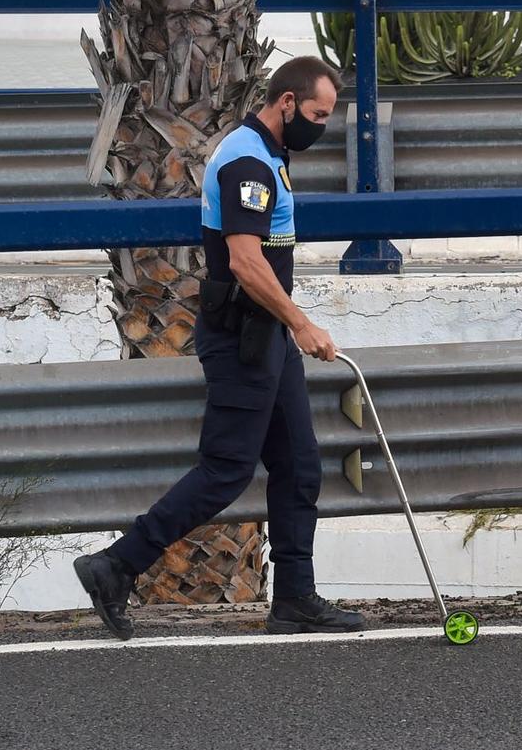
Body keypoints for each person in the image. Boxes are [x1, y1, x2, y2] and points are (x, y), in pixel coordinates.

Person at [71, 56, 362, 640]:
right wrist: (301, 324)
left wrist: (286, 330)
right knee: (227, 471)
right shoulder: (249, 162)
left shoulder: (267, 155)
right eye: (316, 115)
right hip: (242, 339)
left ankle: (295, 599)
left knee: (299, 465)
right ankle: (116, 565)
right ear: (286, 103)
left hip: (265, 335)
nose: (321, 127)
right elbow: (246, 261)